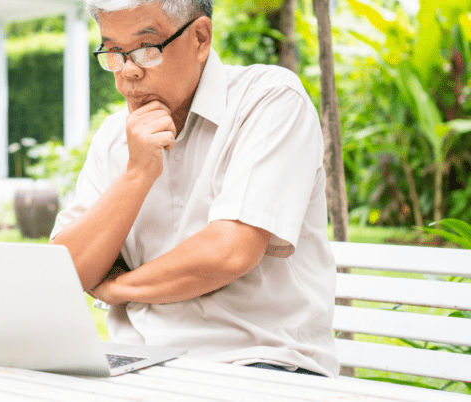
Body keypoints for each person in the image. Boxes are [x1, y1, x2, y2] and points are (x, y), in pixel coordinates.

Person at [50, 0, 340, 377]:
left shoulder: (269, 100)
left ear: (200, 37)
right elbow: (63, 273)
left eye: (144, 50)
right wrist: (137, 174)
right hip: (140, 367)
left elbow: (229, 253)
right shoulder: (113, 137)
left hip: (260, 363)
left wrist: (118, 288)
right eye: (114, 53)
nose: (127, 74)